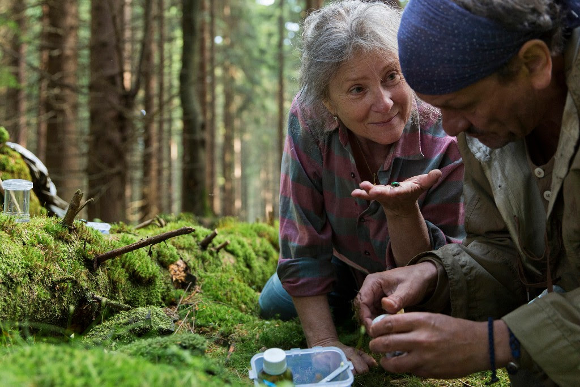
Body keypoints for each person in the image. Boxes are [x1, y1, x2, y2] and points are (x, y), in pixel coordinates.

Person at [357, 0, 580, 385]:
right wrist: (433, 274)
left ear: (534, 64)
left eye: (462, 104)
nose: (451, 127)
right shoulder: (490, 126)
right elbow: (504, 249)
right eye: (439, 109)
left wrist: (494, 343)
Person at [258, 0, 465, 375]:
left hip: (421, 275)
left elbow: (446, 268)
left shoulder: (445, 126)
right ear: (327, 101)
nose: (383, 103)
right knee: (275, 304)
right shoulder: (308, 117)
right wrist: (323, 344)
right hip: (342, 262)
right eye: (357, 89)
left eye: (392, 76)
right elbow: (302, 239)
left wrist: (403, 212)